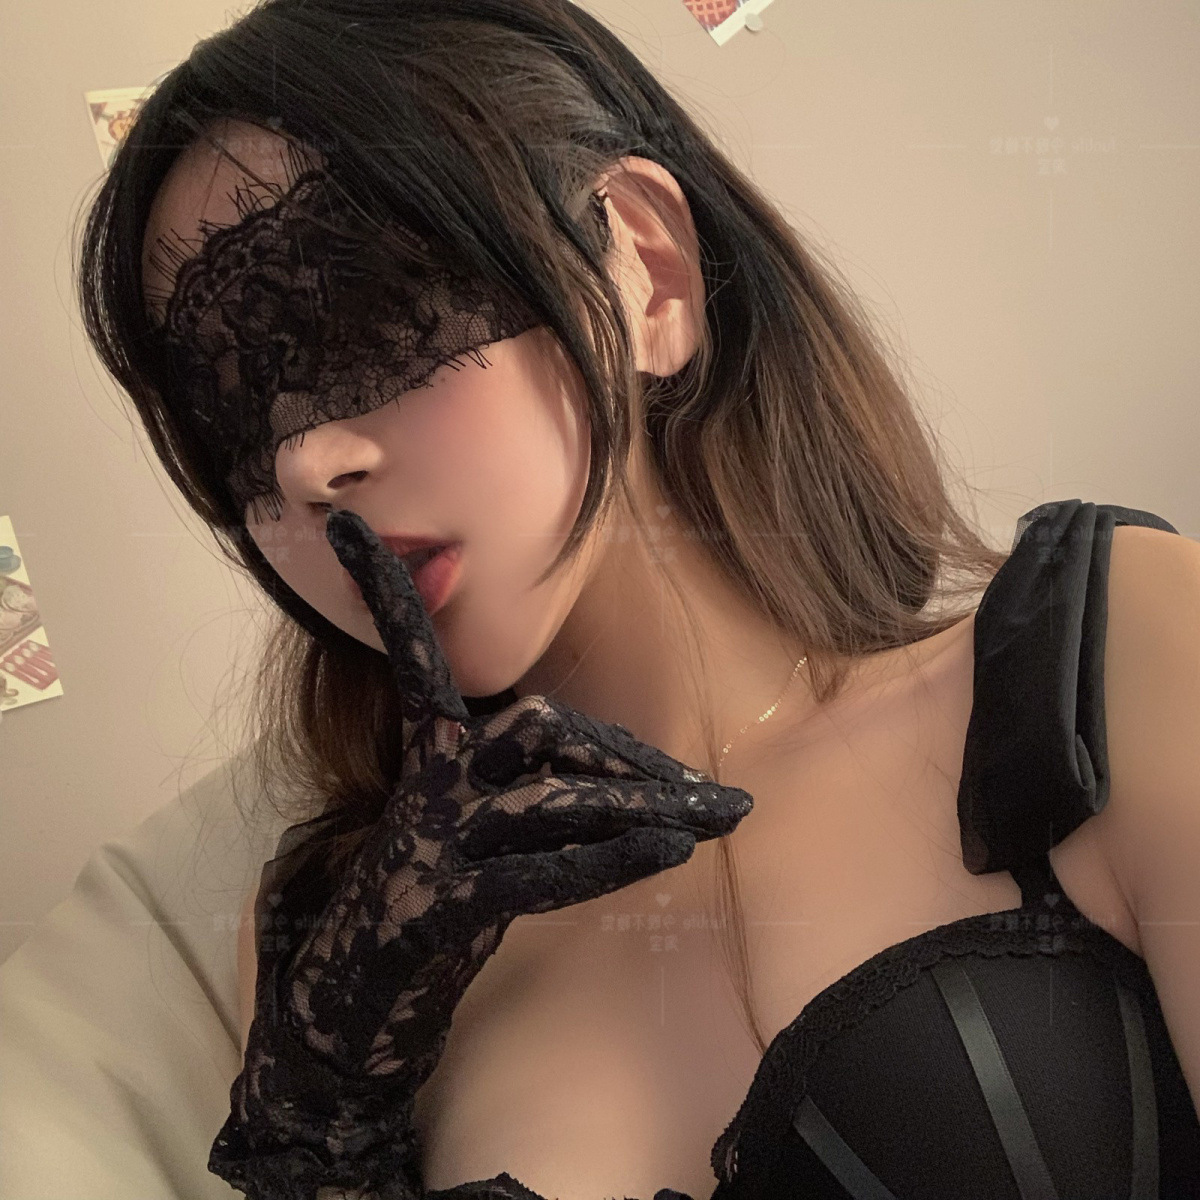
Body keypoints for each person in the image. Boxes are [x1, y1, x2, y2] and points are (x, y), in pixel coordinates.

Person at [75, 1, 1199, 1197]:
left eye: (361, 312)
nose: (302, 462)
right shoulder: (335, 951)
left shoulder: (1116, 657)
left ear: (647, 274)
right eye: (233, 418)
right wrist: (322, 1124)